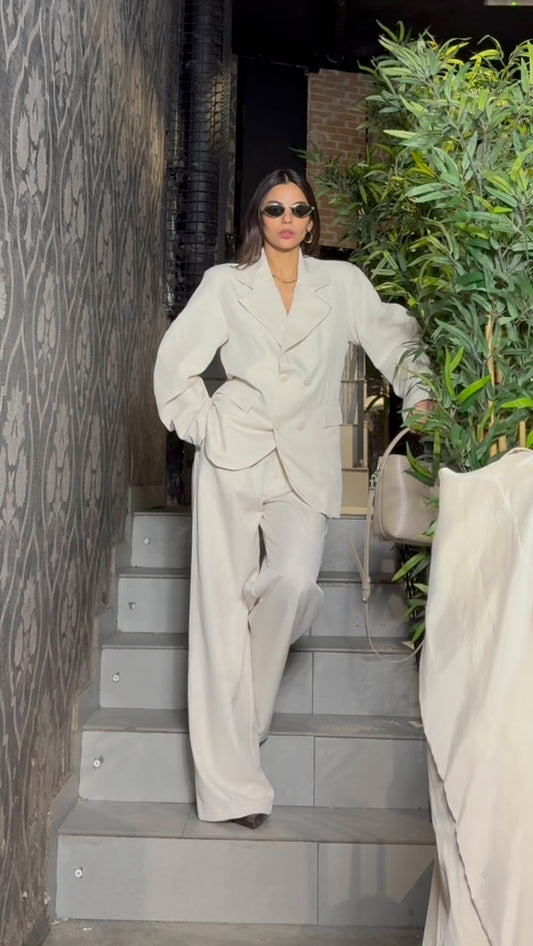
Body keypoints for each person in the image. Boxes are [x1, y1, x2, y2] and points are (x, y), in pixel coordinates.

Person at [153, 168, 433, 829]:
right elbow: (174, 364)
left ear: (311, 222)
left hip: (304, 462)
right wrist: (204, 424)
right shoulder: (226, 284)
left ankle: (242, 724)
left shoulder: (341, 284)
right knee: (218, 618)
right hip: (232, 455)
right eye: (274, 209)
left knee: (293, 581)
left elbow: (393, 335)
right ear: (258, 217)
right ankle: (233, 791)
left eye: (298, 209)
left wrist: (419, 392)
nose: (286, 219)